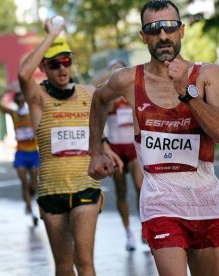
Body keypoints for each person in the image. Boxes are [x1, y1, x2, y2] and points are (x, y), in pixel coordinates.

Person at [88, 1, 219, 275]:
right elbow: (98, 99)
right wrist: (96, 150)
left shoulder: (207, 74)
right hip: (160, 202)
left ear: (182, 31)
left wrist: (186, 93)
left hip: (206, 201)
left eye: (169, 27)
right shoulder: (128, 80)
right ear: (143, 36)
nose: (163, 36)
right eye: (154, 29)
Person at [17, 18, 122, 276]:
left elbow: (96, 127)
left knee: (84, 262)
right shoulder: (38, 98)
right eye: (55, 64)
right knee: (64, 267)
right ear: (44, 67)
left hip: (85, 185)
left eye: (67, 62)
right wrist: (52, 35)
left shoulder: (88, 93)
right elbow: (22, 73)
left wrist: (105, 145)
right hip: (51, 192)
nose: (63, 69)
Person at [95, 59, 144, 251]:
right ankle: (128, 233)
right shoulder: (108, 96)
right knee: (121, 191)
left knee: (141, 187)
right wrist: (112, 75)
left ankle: (144, 227)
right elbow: (94, 89)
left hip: (133, 147)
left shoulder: (133, 91)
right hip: (115, 148)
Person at [0, 90, 39, 226]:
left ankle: (27, 201)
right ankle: (30, 210)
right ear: (16, 102)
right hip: (20, 153)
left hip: (33, 153)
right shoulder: (14, 114)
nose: (20, 102)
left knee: (33, 185)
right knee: (24, 183)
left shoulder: (31, 112)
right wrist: (6, 91)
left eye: (22, 99)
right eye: (18, 100)